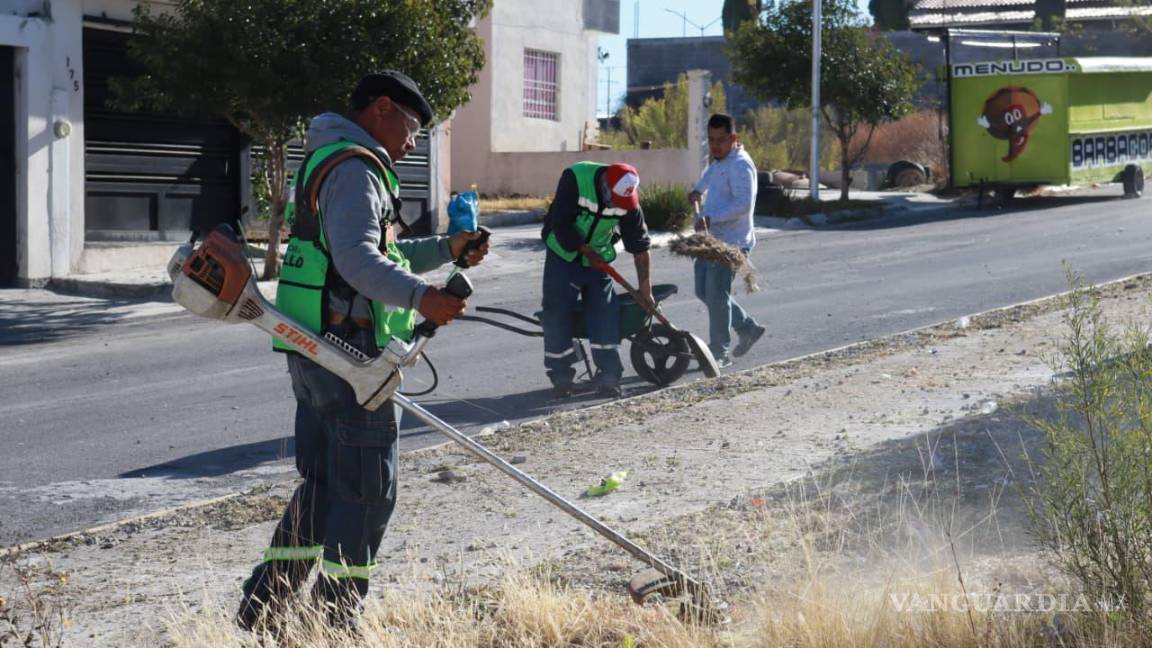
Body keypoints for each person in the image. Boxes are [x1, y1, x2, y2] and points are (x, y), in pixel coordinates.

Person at [236, 71, 489, 631]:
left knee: (326, 487)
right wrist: (424, 298)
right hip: (350, 359)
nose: (414, 141)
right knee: (370, 493)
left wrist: (447, 249)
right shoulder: (356, 169)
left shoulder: (330, 159)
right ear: (381, 108)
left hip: (315, 351)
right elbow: (356, 262)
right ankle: (331, 621)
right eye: (413, 126)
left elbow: (374, 256)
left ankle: (268, 606)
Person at [541, 162, 653, 399]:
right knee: (556, 311)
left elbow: (640, 247)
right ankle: (561, 377)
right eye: (613, 199)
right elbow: (560, 225)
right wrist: (586, 252)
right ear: (604, 185)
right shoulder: (575, 178)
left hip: (599, 258)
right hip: (563, 254)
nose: (616, 206)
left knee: (605, 311)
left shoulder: (628, 200)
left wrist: (645, 289)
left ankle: (609, 377)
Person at [688, 113, 765, 367]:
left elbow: (743, 205)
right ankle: (747, 327)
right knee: (703, 291)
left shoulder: (741, 165)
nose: (715, 145)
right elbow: (711, 175)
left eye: (720, 140)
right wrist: (698, 189)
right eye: (711, 140)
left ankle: (718, 352)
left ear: (733, 138)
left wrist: (710, 218)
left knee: (717, 295)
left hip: (732, 242)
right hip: (712, 240)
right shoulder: (721, 161)